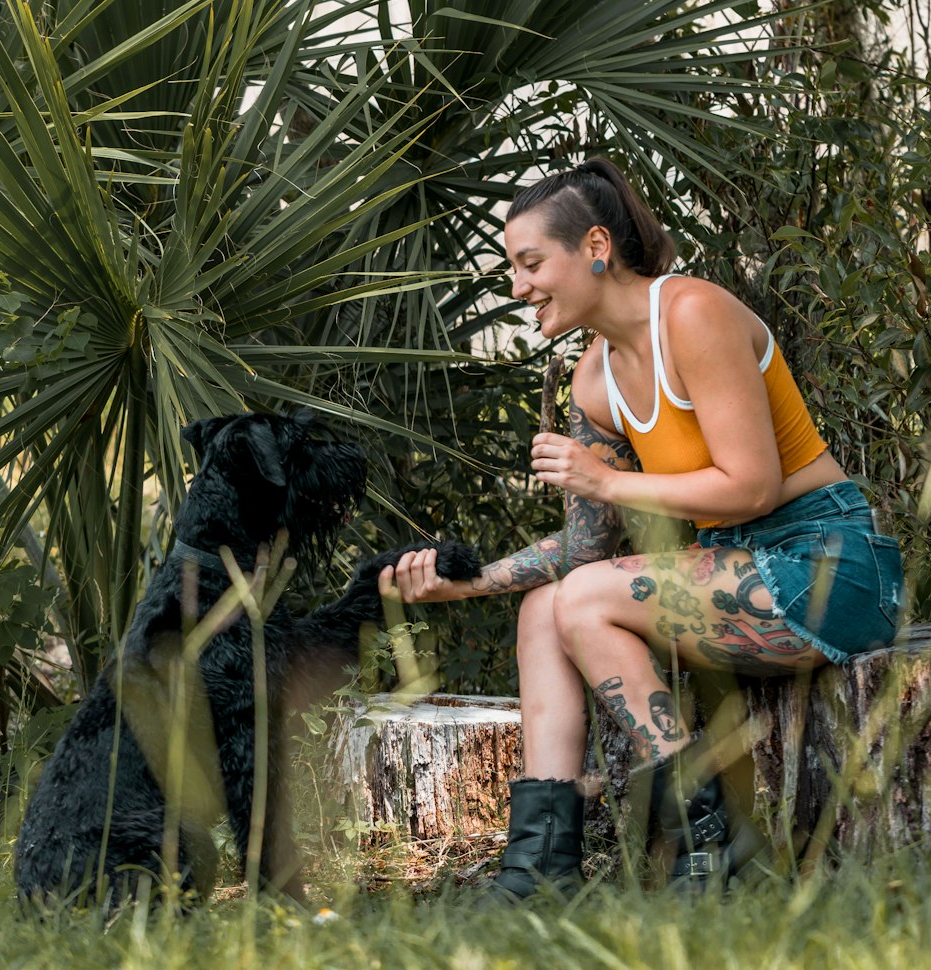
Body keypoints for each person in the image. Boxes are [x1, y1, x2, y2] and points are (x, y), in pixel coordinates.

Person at [379, 155, 905, 897]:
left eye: (531, 264)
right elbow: (585, 548)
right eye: (513, 268)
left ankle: (709, 842)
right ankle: (538, 868)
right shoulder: (592, 378)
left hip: (827, 564)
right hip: (729, 572)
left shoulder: (692, 313)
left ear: (596, 248)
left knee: (585, 597)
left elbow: (751, 485)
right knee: (544, 607)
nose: (518, 286)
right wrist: (464, 584)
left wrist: (607, 479)